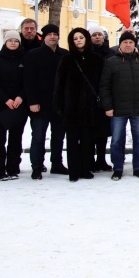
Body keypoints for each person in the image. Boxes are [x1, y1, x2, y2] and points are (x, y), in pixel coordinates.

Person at [100, 31, 139, 180]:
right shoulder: (111, 62)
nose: (128, 45)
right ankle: (117, 168)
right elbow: (104, 86)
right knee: (117, 140)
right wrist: (108, 106)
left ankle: (138, 168)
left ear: (134, 44)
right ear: (120, 45)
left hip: (138, 109)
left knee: (138, 140)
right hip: (118, 110)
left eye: (131, 42)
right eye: (125, 42)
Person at [53, 28, 105, 182]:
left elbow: (102, 83)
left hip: (90, 107)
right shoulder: (67, 59)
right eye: (75, 38)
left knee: (88, 140)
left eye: (81, 37)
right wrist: (59, 105)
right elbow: (59, 84)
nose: (78, 41)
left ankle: (86, 168)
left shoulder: (97, 59)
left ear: (86, 39)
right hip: (71, 107)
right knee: (72, 140)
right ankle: (74, 171)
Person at [24, 23, 68, 179]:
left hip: (59, 104)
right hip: (40, 104)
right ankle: (36, 166)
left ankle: (57, 163)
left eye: (55, 34)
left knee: (58, 136)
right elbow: (29, 81)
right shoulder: (33, 54)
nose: (52, 37)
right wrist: (32, 101)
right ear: (43, 37)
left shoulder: (64, 54)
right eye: (49, 34)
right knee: (38, 137)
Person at [0, 30, 27, 181]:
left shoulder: (25, 60)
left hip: (19, 105)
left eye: (16, 40)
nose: (13, 43)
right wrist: (5, 99)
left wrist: (20, 96)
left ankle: (13, 168)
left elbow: (28, 81)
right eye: (10, 40)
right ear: (5, 42)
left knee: (16, 139)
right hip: (0, 106)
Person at [89, 25, 113, 171]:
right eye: (94, 35)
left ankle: (101, 159)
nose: (97, 37)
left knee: (103, 132)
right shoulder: (86, 52)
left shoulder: (110, 53)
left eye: (100, 35)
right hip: (90, 97)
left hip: (106, 97)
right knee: (91, 131)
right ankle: (90, 159)